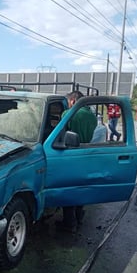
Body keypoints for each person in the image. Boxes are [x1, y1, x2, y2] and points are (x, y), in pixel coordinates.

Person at [56, 91, 97, 233]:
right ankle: (79, 217)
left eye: (69, 102)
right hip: (87, 153)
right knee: (81, 187)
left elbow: (60, 132)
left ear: (73, 101)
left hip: (71, 154)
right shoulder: (92, 116)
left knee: (68, 189)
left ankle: (69, 223)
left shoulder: (69, 113)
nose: (68, 104)